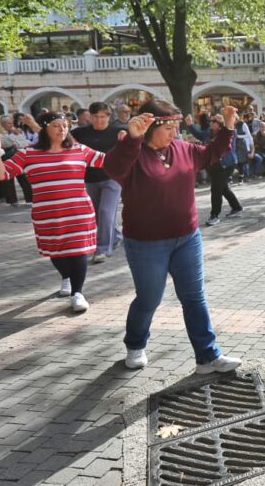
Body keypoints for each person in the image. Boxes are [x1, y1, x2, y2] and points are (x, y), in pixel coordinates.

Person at [103, 100, 243, 373]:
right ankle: (135, 345)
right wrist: (132, 138)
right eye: (168, 127)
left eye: (175, 127)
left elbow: (213, 152)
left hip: (187, 237)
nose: (174, 133)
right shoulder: (132, 152)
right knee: (149, 299)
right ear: (149, 127)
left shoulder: (182, 149)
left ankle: (208, 356)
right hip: (146, 243)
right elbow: (114, 169)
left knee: (194, 297)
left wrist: (228, 126)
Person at [0, 112, 103, 312]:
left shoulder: (80, 150)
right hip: (47, 214)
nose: (62, 129)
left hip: (78, 212)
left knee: (78, 252)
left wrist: (132, 143)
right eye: (57, 125)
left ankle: (78, 293)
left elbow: (111, 162)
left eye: (65, 125)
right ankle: (66, 276)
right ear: (45, 128)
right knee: (56, 252)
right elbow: (1, 174)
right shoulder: (27, 153)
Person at [72, 102, 126, 263]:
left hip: (113, 178)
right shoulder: (80, 133)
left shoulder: (118, 132)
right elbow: (66, 143)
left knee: (106, 211)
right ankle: (116, 236)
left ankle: (102, 249)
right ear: (90, 116)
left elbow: (132, 148)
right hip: (89, 179)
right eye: (95, 116)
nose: (99, 120)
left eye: (103, 116)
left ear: (109, 116)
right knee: (97, 214)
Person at [205, 116, 244, 226]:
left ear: (219, 123)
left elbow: (229, 130)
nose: (210, 123)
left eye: (213, 121)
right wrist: (190, 125)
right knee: (223, 188)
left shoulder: (226, 132)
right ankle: (236, 207)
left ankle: (214, 215)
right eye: (210, 121)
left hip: (226, 164)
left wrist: (228, 115)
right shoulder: (213, 132)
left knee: (216, 189)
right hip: (217, 164)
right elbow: (201, 135)